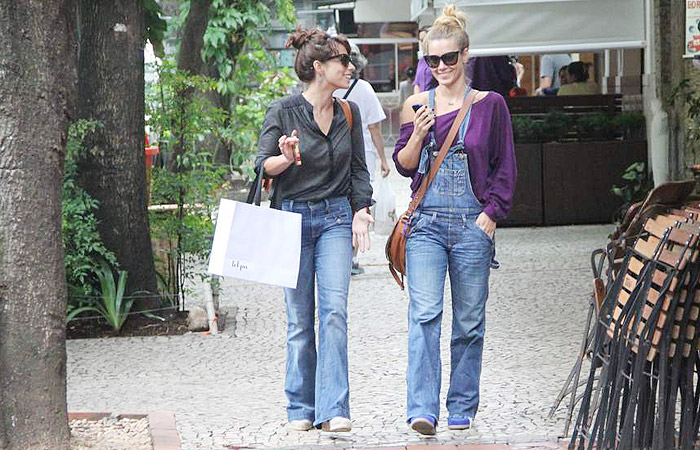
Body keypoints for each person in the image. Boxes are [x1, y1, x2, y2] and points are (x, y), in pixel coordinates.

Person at [393, 4, 516, 435]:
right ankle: (422, 409)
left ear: (466, 55)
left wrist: (491, 215)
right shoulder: (416, 105)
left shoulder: (490, 105)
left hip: (471, 224)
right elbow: (405, 166)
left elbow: (505, 166)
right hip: (426, 223)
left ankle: (462, 404)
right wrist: (421, 134)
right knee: (424, 314)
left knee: (469, 320)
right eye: (433, 60)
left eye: (449, 58)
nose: (441, 66)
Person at [255, 27, 374, 433]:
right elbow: (262, 166)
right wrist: (284, 158)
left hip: (336, 219)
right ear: (320, 67)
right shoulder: (283, 111)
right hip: (292, 217)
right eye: (344, 61)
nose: (350, 67)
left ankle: (334, 408)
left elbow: (359, 169)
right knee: (300, 321)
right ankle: (300, 409)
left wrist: (362, 210)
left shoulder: (348, 112)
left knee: (335, 313)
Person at [334, 43, 390, 275]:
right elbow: (375, 128)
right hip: (362, 155)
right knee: (359, 204)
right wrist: (384, 160)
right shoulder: (365, 89)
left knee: (341, 205)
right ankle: (351, 259)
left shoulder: (331, 87)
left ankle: (340, 256)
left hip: (335, 156)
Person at [413, 26, 438, 94]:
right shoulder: (421, 61)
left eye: (425, 39)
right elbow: (417, 83)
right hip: (421, 99)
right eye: (421, 40)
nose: (423, 43)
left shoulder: (439, 58)